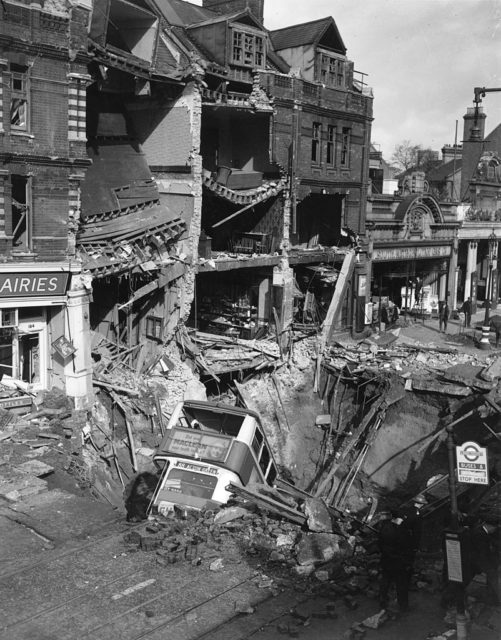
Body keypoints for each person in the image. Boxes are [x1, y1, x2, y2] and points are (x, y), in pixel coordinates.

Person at [378, 510, 417, 613]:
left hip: (386, 560)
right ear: (397, 519)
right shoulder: (400, 531)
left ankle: (383, 600)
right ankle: (403, 606)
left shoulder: (384, 528)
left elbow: (380, 544)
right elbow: (405, 546)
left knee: (385, 581)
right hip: (398, 562)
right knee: (401, 584)